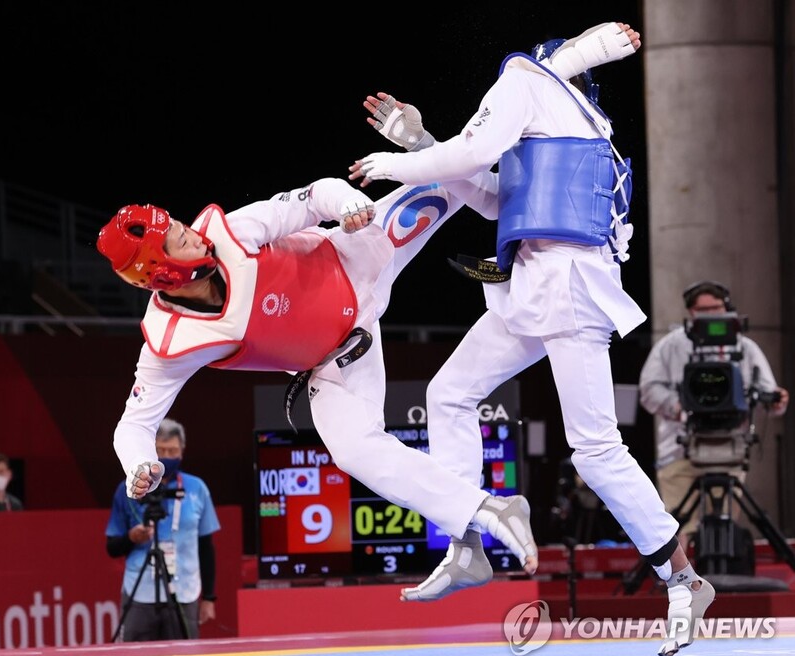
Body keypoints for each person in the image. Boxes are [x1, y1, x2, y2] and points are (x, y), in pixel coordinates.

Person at [349, 21, 714, 656]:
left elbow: (468, 155)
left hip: (566, 286)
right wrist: (423, 139)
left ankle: (682, 579)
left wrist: (399, 160)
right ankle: (468, 541)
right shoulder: (581, 127)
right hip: (535, 285)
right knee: (451, 394)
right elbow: (493, 198)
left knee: (595, 450)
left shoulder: (524, 77)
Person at [95, 175, 542, 592]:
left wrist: (347, 202)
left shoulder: (232, 231)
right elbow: (131, 427)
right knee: (353, 452)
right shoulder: (172, 343)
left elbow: (315, 196)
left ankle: (547, 195)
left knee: (450, 175)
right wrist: (138, 464)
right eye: (179, 239)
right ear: (164, 273)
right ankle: (487, 512)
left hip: (358, 255)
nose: (193, 234)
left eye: (179, 224)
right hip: (337, 362)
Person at [638, 280, 789, 552]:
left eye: (716, 307)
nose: (710, 314)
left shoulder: (746, 347)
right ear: (691, 312)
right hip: (679, 450)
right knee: (678, 527)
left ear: (727, 307)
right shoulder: (670, 346)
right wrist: (678, 407)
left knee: (723, 523)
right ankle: (683, 583)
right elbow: (648, 389)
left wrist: (776, 399)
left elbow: (768, 394)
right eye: (702, 309)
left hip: (729, 448)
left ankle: (721, 579)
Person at [105, 418, 220, 641]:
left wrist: (209, 597)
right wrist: (131, 537)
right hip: (140, 593)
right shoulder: (130, 487)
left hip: (184, 591)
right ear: (151, 450)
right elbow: (111, 547)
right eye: (161, 450)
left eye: (172, 450)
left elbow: (206, 546)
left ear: (182, 452)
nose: (167, 456)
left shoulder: (197, 488)